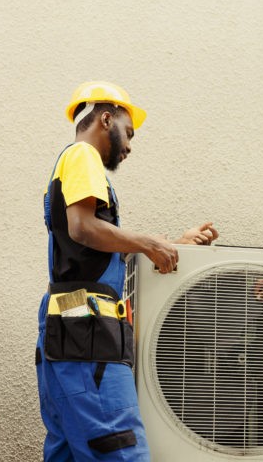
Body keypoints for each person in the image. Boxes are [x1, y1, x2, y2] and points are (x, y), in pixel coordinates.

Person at [35, 81, 219, 461]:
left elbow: (94, 249)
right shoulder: (82, 155)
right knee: (121, 450)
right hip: (88, 340)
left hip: (68, 333)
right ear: (106, 119)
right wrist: (149, 244)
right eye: (129, 132)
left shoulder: (69, 166)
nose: (131, 145)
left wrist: (171, 244)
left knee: (68, 452)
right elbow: (83, 227)